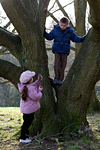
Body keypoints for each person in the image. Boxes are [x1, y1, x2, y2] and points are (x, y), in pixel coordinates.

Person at [44, 17, 85, 84]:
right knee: (57, 65)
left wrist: (82, 39)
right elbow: (49, 37)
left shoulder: (70, 31)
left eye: (64, 26)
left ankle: (60, 79)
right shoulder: (55, 29)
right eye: (61, 25)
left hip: (65, 51)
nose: (62, 27)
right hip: (57, 50)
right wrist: (44, 32)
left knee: (63, 65)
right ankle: (56, 78)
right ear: (59, 23)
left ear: (67, 25)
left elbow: (75, 38)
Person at [17, 70, 43, 143]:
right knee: (26, 124)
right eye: (32, 78)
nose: (33, 79)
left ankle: (24, 136)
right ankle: (23, 138)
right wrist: (39, 91)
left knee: (26, 123)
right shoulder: (30, 88)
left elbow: (33, 85)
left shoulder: (24, 86)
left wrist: (38, 80)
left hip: (26, 109)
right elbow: (36, 97)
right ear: (29, 80)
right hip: (29, 110)